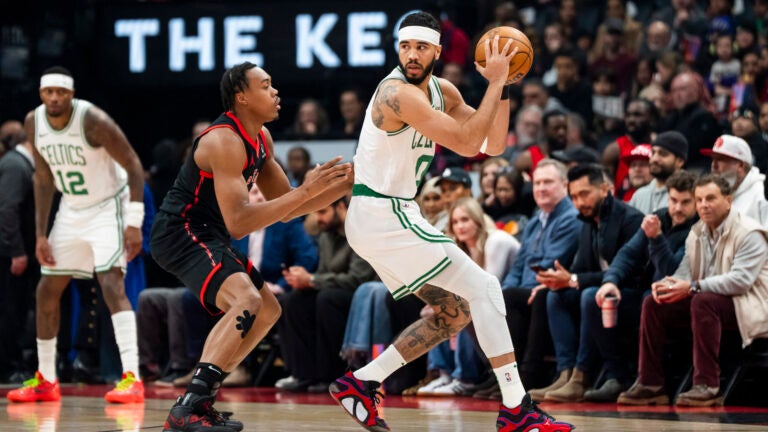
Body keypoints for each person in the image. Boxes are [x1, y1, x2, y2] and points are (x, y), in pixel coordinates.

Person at [328, 11, 573, 431]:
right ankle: (517, 408)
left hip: (393, 213)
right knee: (486, 286)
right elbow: (462, 141)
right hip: (380, 211)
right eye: (405, 46)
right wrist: (493, 82)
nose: (411, 55)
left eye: (421, 47)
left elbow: (492, 144)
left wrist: (506, 85)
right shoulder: (396, 94)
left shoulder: (443, 90)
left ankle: (362, 381)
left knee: (455, 311)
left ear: (438, 52)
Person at [149, 61, 351, 431]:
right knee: (247, 301)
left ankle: (201, 400)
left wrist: (347, 185)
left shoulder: (262, 139)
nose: (276, 92)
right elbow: (240, 222)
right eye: (266, 85)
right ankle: (189, 407)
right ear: (242, 97)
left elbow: (290, 209)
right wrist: (306, 190)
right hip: (181, 231)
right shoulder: (223, 140)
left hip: (209, 233)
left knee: (268, 310)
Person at [7, 67, 147, 404]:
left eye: (61, 92)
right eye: (48, 92)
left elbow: (133, 164)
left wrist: (134, 221)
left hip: (107, 206)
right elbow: (42, 177)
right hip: (71, 208)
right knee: (46, 289)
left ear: (71, 94)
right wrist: (41, 234)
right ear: (41, 94)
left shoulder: (92, 120)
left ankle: (133, 378)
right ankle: (46, 379)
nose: (54, 98)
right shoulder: (33, 122)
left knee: (111, 283)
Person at [618, 175, 768, 407]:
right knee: (654, 302)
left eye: (710, 198)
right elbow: (685, 273)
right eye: (699, 200)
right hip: (713, 303)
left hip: (751, 306)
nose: (703, 205)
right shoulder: (697, 232)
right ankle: (650, 384)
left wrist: (691, 287)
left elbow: (741, 282)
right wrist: (670, 285)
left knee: (702, 300)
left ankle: (707, 386)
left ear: (728, 201)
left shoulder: (750, 233)